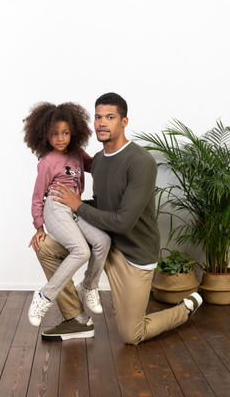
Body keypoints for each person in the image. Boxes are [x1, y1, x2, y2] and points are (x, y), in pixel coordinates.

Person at [34, 92, 203, 343]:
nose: (102, 123)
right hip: (105, 241)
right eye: (98, 117)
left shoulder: (141, 162)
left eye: (110, 117)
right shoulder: (99, 161)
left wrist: (77, 206)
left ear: (124, 121)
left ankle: (185, 308)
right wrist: (57, 212)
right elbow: (101, 206)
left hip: (133, 254)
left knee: (132, 334)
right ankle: (77, 319)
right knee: (46, 247)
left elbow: (123, 222)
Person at [23, 101, 111, 328]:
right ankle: (44, 296)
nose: (60, 138)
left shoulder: (77, 153)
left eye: (65, 133)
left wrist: (114, 150)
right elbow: (37, 197)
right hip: (55, 206)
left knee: (103, 241)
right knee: (81, 250)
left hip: (75, 206)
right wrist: (39, 227)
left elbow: (96, 165)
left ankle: (89, 285)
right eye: (54, 134)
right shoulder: (47, 162)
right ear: (45, 135)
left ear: (74, 133)